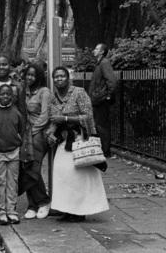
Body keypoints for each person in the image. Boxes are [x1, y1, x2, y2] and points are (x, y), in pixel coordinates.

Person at [46, 66, 109, 222]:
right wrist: (51, 134)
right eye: (56, 77)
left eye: (62, 76)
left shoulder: (79, 93)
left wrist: (66, 119)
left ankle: (80, 211)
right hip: (63, 141)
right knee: (63, 176)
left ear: (68, 78)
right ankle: (68, 209)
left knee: (79, 176)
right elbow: (54, 119)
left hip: (80, 139)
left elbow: (88, 116)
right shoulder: (54, 98)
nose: (59, 79)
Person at [0, 84, 24, 225]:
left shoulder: (17, 113)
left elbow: (21, 131)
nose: (5, 96)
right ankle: (0, 210)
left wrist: (19, 145)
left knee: (12, 182)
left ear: (12, 97)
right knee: (0, 181)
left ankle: (11, 210)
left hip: (14, 152)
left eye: (8, 94)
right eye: (3, 94)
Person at [19, 64, 52, 220]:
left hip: (39, 133)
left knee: (33, 167)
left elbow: (45, 116)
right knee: (26, 167)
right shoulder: (25, 91)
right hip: (26, 133)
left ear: (39, 76)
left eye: (33, 75)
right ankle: (32, 204)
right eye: (28, 75)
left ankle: (43, 201)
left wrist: (32, 132)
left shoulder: (44, 92)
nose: (29, 78)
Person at [89, 43, 118, 157]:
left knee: (102, 126)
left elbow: (112, 81)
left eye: (96, 49)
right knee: (99, 125)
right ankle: (103, 149)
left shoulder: (104, 63)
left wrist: (108, 95)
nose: (94, 50)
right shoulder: (100, 63)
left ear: (101, 51)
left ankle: (106, 151)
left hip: (101, 99)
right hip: (98, 99)